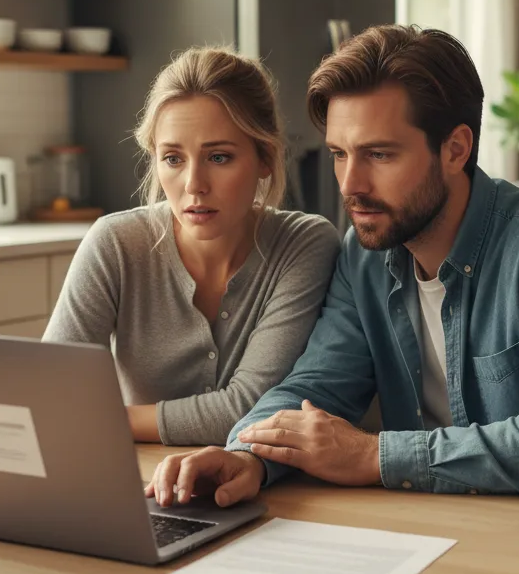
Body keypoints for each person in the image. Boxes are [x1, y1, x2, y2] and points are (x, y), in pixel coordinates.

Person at [146, 24, 519, 506]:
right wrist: (246, 456)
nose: (350, 185)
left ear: (455, 149)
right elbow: (316, 387)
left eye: (379, 155)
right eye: (340, 154)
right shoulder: (363, 256)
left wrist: (373, 455)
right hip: (442, 529)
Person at [44, 46, 341, 446]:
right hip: (137, 479)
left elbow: (249, 408)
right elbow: (52, 396)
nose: (193, 184)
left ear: (265, 158)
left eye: (218, 157)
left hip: (261, 480)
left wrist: (104, 419)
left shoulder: (304, 244)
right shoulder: (114, 245)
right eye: (172, 158)